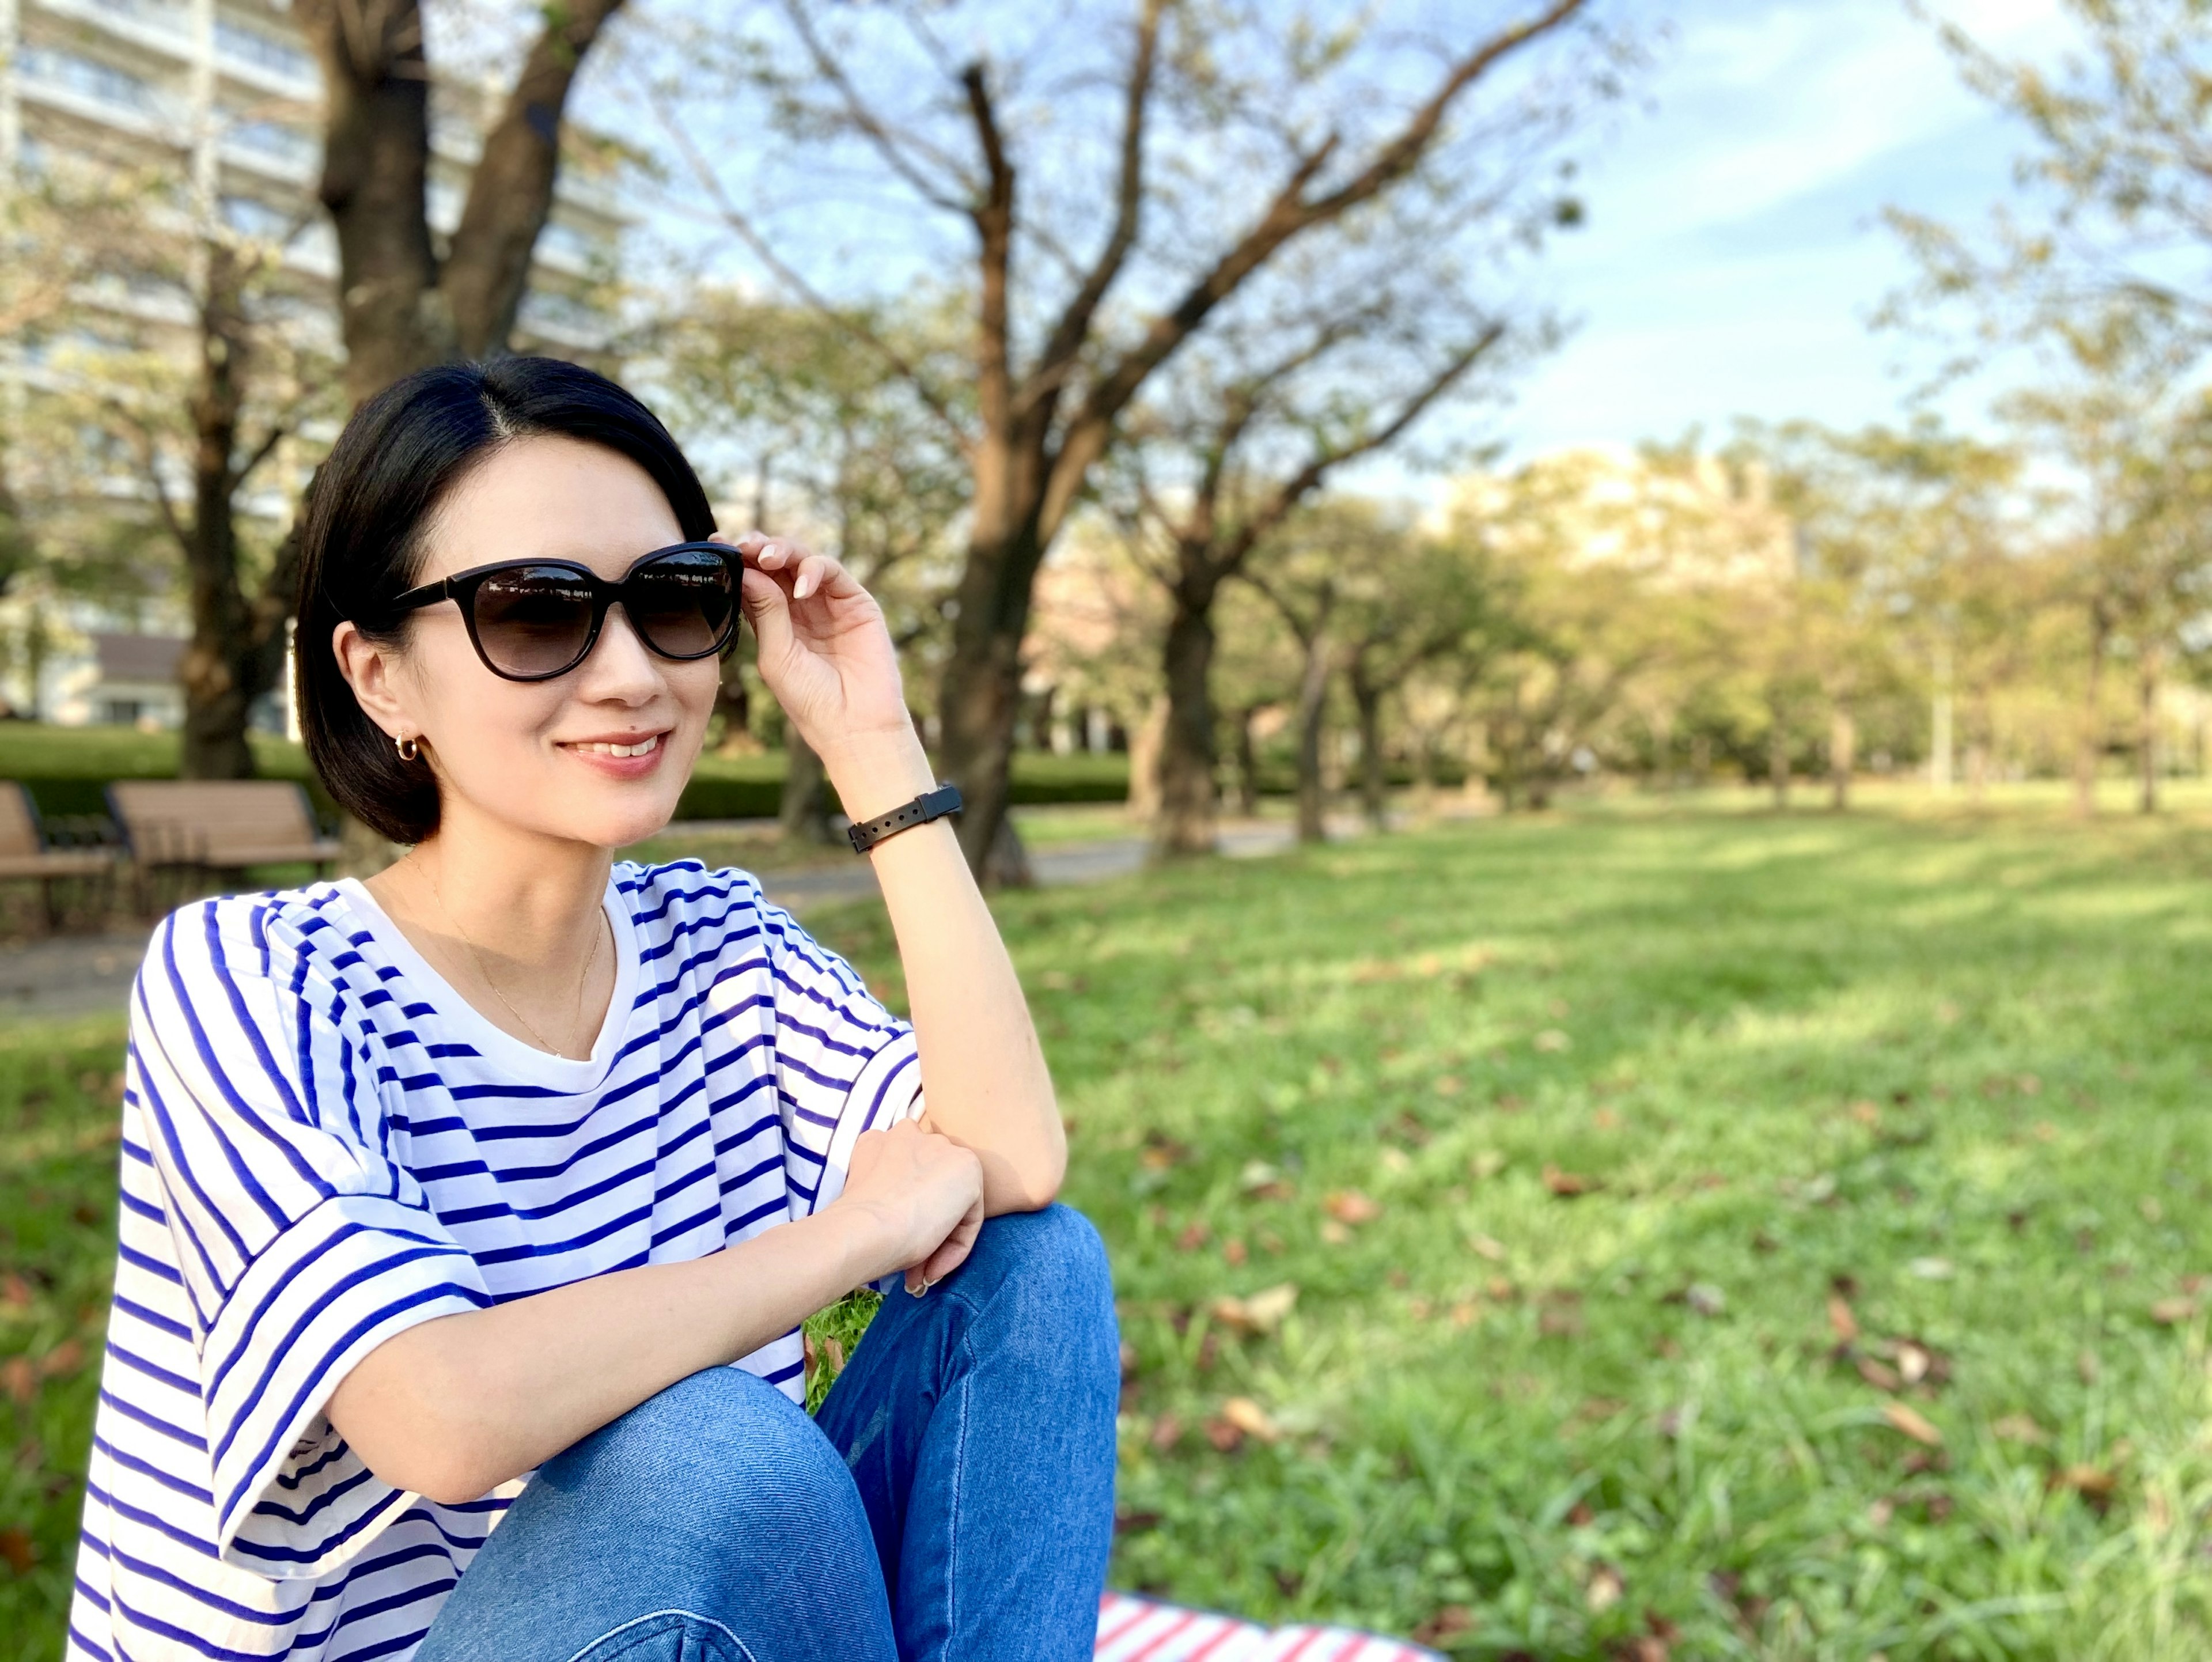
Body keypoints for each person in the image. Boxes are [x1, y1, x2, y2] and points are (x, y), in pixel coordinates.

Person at [66, 357, 1119, 1662]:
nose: (630, 674)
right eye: (533, 614)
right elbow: (439, 1416)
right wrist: (859, 1232)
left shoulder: (717, 944)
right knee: (711, 1447)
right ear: (378, 675)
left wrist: (875, 747)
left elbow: (1011, 1162)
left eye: (674, 600)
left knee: (1034, 1268)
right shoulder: (253, 975)